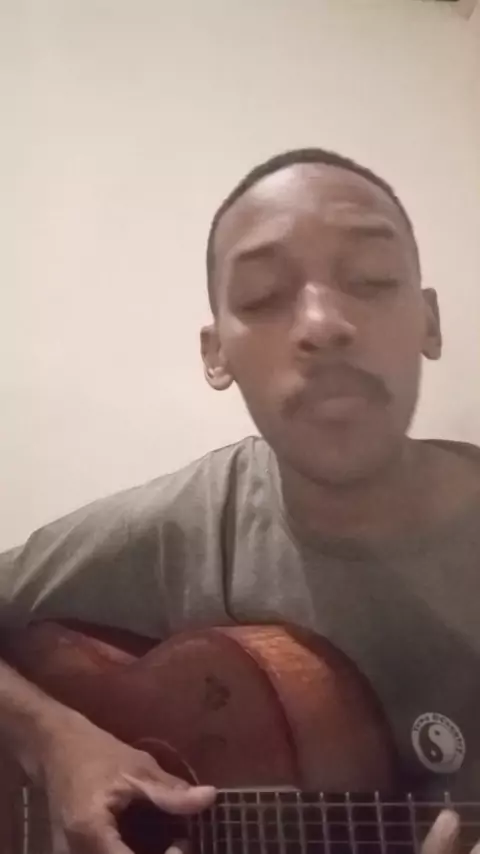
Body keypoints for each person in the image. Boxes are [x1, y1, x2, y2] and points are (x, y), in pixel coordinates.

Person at [0, 148, 479, 854]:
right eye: (261, 297)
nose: (322, 323)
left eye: (372, 280)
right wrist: (53, 741)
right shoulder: (185, 522)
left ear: (430, 322)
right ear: (215, 353)